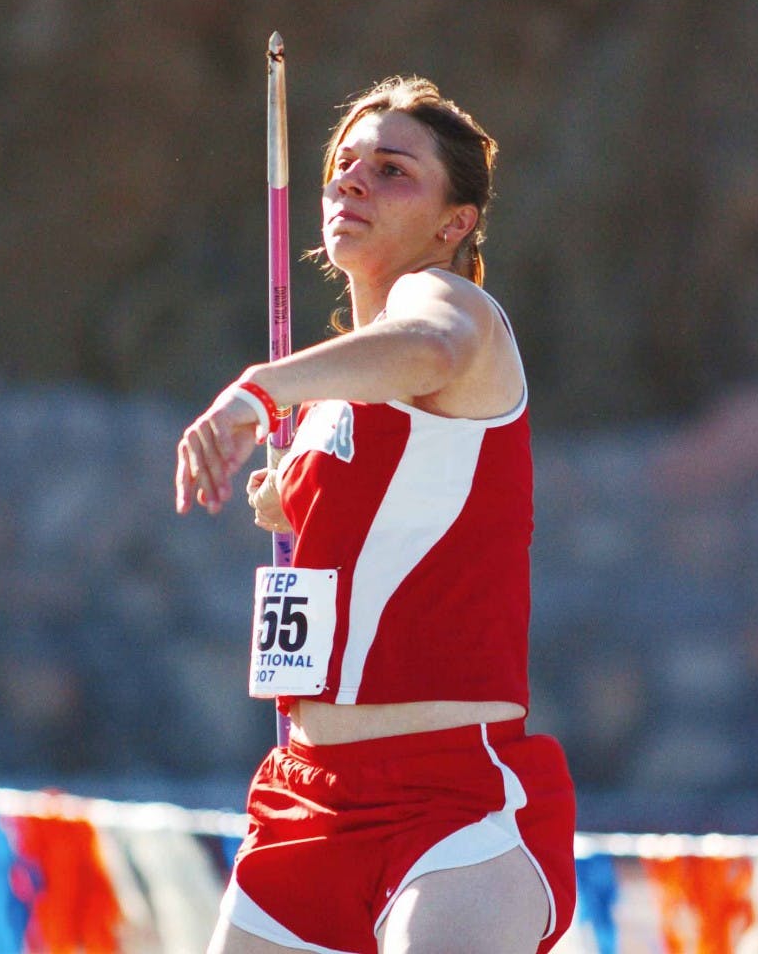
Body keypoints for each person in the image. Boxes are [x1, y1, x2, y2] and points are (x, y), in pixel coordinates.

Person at [176, 77, 576, 954]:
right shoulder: (327, 407)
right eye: (344, 166)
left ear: (455, 222)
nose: (353, 181)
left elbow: (426, 350)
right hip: (306, 797)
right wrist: (292, 498)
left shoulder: (457, 312)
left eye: (392, 170)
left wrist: (255, 391)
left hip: (451, 806)